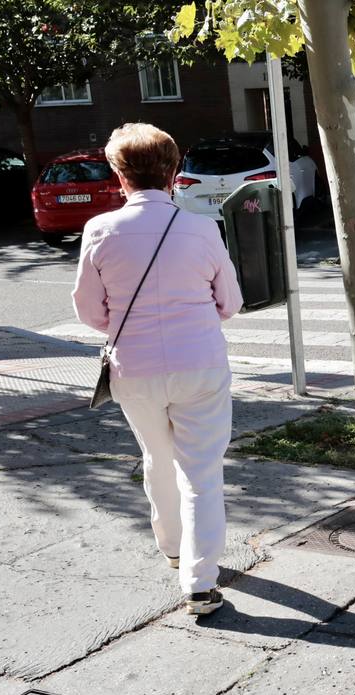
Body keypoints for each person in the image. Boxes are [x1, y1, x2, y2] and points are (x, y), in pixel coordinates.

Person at [72, 123, 242, 616]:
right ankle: (200, 580)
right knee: (202, 472)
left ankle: (171, 547)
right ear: (174, 172)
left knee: (156, 455)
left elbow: (89, 311)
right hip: (201, 365)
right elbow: (229, 302)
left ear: (118, 174)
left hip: (135, 367)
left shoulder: (100, 230)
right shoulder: (203, 228)